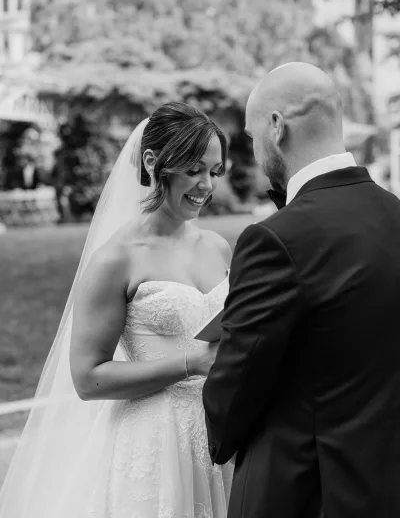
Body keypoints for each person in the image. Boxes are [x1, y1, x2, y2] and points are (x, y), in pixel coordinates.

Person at [0, 102, 233, 518]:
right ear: (153, 162)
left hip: (221, 440)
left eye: (214, 172)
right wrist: (192, 361)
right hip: (154, 445)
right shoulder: (115, 259)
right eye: (194, 170)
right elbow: (89, 379)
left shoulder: (217, 247)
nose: (206, 185)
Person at [203, 62, 400, 518]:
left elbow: (231, 399)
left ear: (276, 127)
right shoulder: (396, 215)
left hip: (304, 492)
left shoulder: (275, 238)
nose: (254, 152)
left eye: (252, 136)